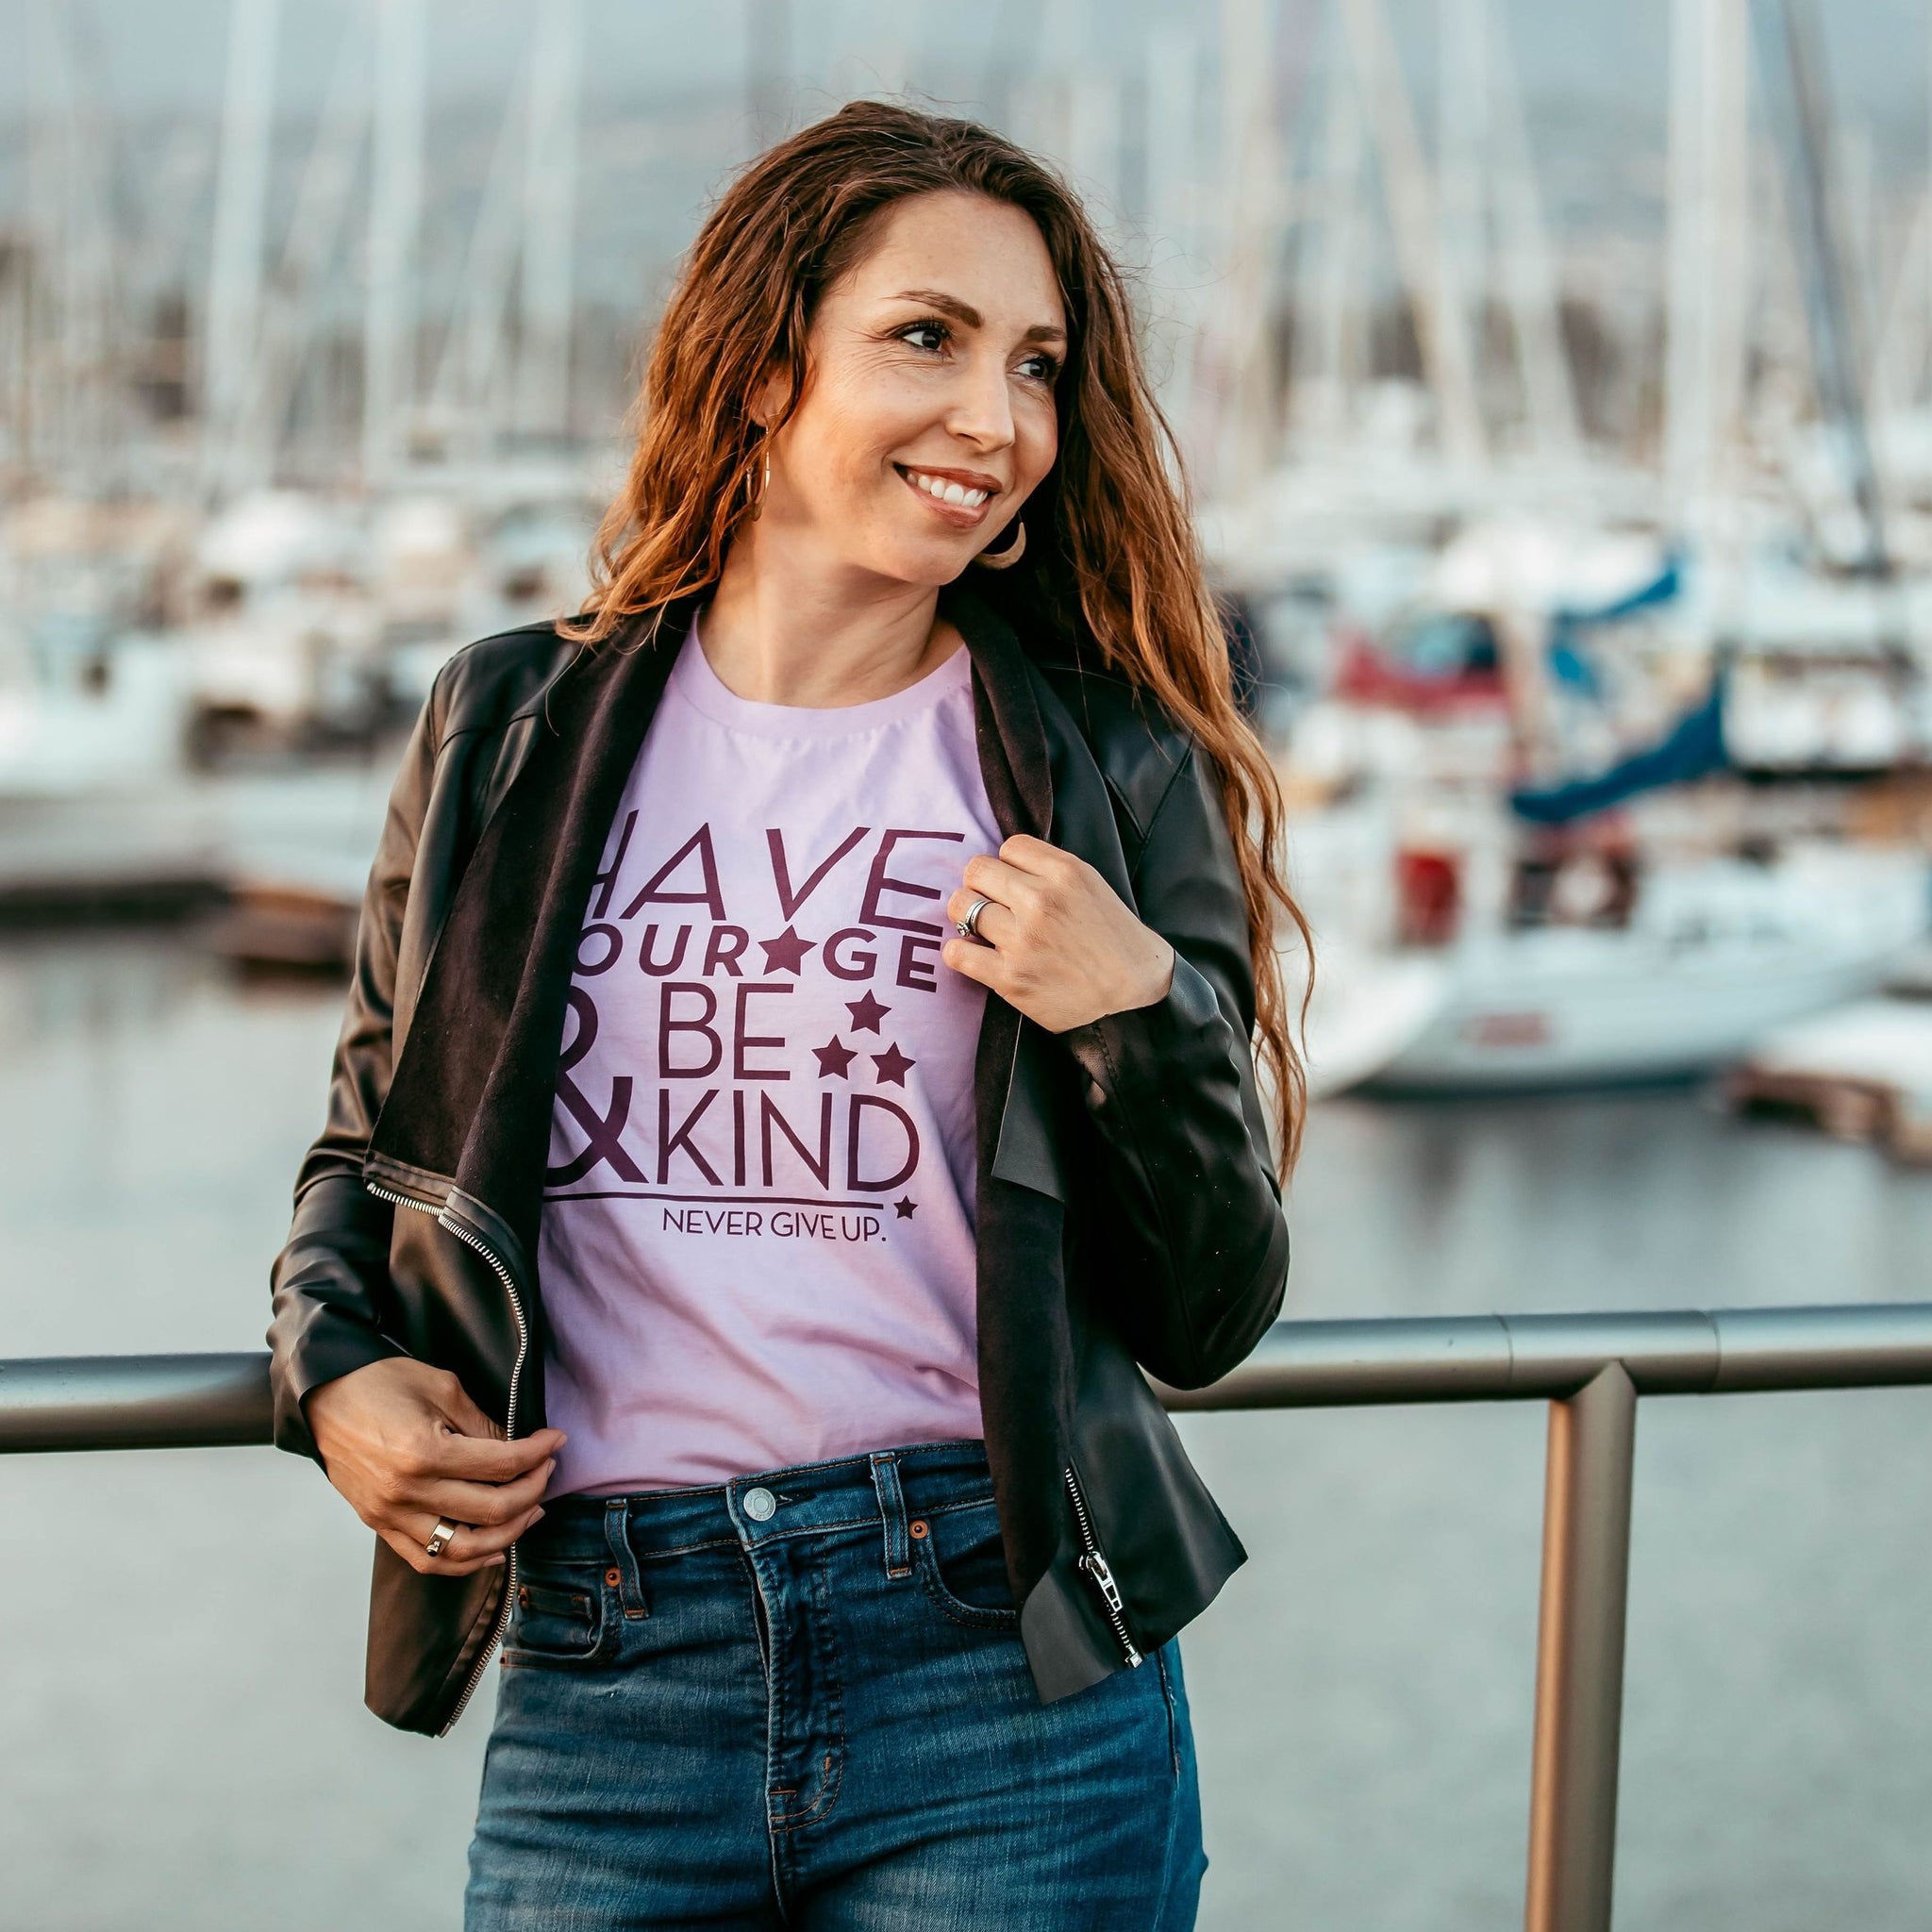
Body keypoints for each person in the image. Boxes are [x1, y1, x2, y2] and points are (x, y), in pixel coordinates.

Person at [268, 100, 1308, 1931]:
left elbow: (1210, 1304)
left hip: (1006, 1677)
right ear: (761, 372)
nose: (997, 420)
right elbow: (371, 1147)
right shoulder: (508, 728)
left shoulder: (1103, 770)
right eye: (928, 337)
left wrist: (1135, 1008)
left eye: (1038, 366)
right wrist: (336, 1378)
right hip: (603, 1671)